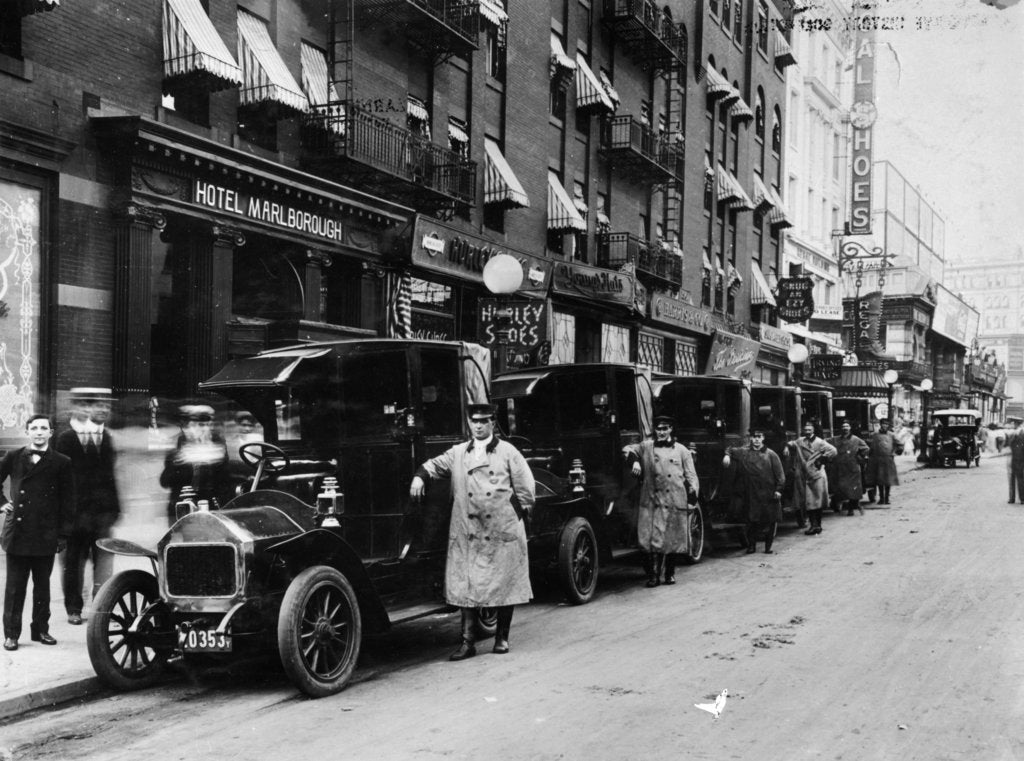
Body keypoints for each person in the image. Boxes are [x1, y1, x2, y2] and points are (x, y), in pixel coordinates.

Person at [409, 403, 534, 660]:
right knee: (466, 584)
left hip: (500, 527)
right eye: (474, 422)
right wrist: (420, 475)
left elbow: (526, 490)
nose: (478, 426)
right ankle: (467, 643)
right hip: (467, 529)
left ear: (492, 423)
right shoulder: (458, 452)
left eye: (483, 421)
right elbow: (434, 464)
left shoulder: (508, 452)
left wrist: (515, 517)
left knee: (503, 582)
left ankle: (502, 638)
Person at [1, 415, 75, 651]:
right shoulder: (14, 457)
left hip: (46, 533)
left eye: (44, 428)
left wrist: (62, 534)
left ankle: (41, 630)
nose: (39, 432)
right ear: (27, 431)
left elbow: (68, 500)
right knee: (14, 587)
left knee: (42, 586)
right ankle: (11, 634)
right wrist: (2, 502)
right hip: (18, 533)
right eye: (34, 428)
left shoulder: (62, 461)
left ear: (51, 433)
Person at [54, 387, 121, 625]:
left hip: (101, 515)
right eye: (82, 404)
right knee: (73, 564)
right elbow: (59, 480)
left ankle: (101, 607)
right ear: (73, 407)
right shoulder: (64, 439)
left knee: (104, 564)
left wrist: (115, 510)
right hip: (74, 516)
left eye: (90, 405)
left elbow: (111, 476)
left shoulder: (105, 438)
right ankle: (74, 608)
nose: (87, 409)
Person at [623, 415, 699, 587]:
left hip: (674, 498)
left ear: (671, 429)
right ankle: (653, 576)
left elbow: (691, 476)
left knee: (671, 539)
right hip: (652, 500)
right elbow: (628, 449)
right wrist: (635, 462)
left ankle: (670, 573)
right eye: (659, 429)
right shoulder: (646, 447)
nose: (662, 432)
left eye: (665, 428)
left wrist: (692, 499)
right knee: (649, 540)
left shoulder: (682, 451)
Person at [160, 404, 230, 524]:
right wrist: (179, 463)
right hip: (182, 507)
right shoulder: (177, 447)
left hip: (210, 507)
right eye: (193, 424)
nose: (199, 429)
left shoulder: (218, 445)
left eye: (204, 424)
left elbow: (224, 479)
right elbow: (165, 481)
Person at [723, 428, 785, 555]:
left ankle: (768, 547)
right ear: (750, 438)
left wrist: (778, 490)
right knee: (752, 521)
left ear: (763, 438)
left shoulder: (771, 454)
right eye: (754, 437)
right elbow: (730, 449)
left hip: (769, 494)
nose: (756, 439)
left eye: (759, 436)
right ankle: (752, 546)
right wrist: (727, 456)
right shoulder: (744, 452)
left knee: (770, 521)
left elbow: (780, 475)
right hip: (752, 494)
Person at [785, 423, 837, 536]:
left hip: (816, 475)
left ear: (813, 430)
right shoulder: (800, 441)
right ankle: (814, 525)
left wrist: (822, 459)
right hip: (805, 475)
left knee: (816, 502)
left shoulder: (820, 442)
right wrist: (787, 447)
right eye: (805, 429)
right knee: (809, 502)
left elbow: (833, 450)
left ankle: (817, 525)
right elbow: (791, 443)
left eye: (809, 429)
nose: (807, 431)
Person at [828, 421, 870, 516]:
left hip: (852, 468)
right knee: (841, 488)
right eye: (843, 426)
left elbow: (866, 448)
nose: (845, 428)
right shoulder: (835, 439)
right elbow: (825, 444)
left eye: (847, 426)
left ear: (850, 428)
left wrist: (859, 457)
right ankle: (843, 505)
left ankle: (851, 508)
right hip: (840, 468)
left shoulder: (856, 439)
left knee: (853, 489)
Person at [864, 419, 901, 506]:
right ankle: (881, 498)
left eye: (886, 424)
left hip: (888, 460)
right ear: (880, 424)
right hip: (877, 460)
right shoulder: (874, 435)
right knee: (879, 480)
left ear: (888, 426)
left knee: (888, 480)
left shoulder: (892, 435)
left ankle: (887, 498)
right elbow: (868, 445)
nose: (885, 426)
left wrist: (895, 453)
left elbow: (900, 444)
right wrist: (868, 454)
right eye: (883, 424)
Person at [1008, 421, 1024, 504]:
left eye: (1015, 424)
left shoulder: (1020, 433)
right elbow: (1010, 444)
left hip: (1020, 460)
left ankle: (1021, 498)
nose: (1014, 425)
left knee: (1019, 479)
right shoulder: (1014, 434)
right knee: (1013, 479)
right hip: (1015, 459)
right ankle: (1013, 498)